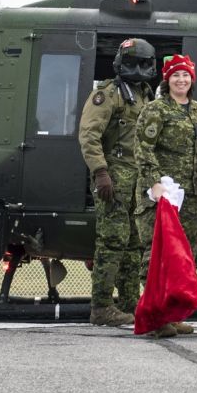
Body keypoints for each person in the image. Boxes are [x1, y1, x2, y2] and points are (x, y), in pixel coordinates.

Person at [78, 38, 156, 326]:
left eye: (143, 63)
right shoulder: (108, 94)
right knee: (112, 242)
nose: (138, 68)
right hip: (113, 178)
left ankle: (128, 304)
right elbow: (89, 135)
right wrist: (100, 172)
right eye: (133, 62)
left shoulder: (146, 96)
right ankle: (101, 307)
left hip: (138, 181)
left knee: (135, 243)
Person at [134, 54, 197, 337]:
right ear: (167, 80)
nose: (181, 80)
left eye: (186, 75)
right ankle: (156, 316)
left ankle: (175, 313)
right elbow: (143, 148)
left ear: (192, 79)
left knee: (185, 257)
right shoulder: (156, 109)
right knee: (158, 254)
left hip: (190, 197)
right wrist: (153, 182)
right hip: (163, 195)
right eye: (176, 75)